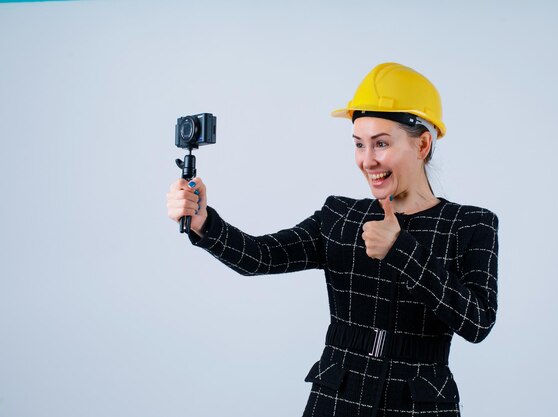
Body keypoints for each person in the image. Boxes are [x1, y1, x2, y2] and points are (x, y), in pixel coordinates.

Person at [166, 62, 499, 417]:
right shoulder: (340, 216)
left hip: (418, 406)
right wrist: (204, 223)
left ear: (422, 145)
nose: (367, 160)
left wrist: (402, 250)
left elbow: (477, 322)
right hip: (337, 401)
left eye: (381, 144)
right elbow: (259, 257)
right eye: (359, 144)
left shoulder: (469, 225)